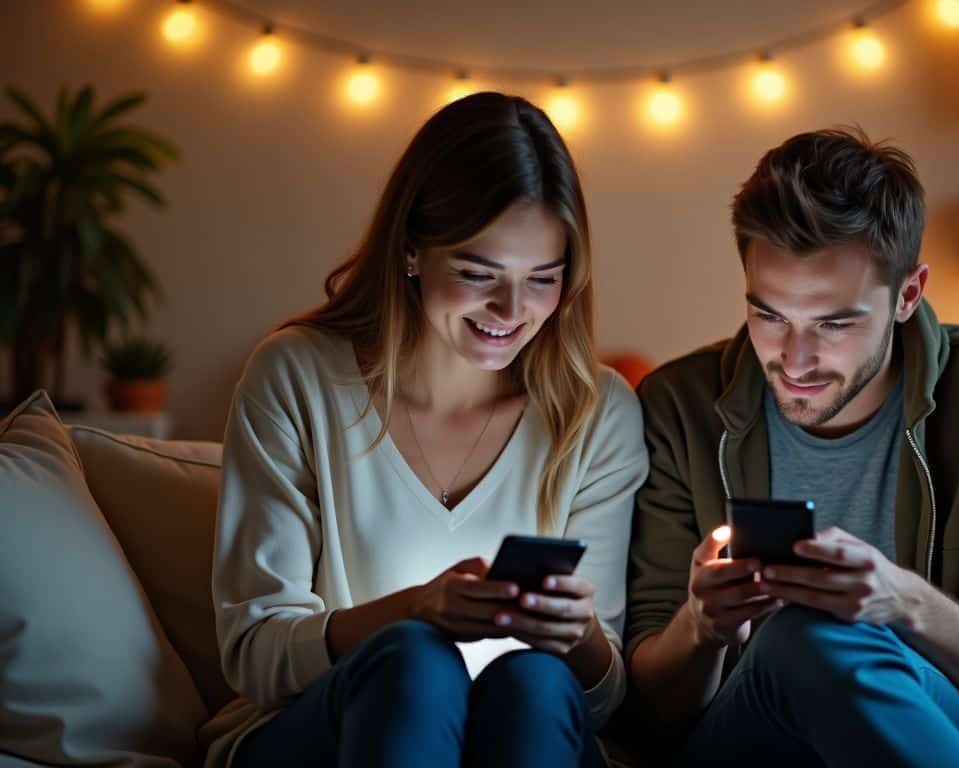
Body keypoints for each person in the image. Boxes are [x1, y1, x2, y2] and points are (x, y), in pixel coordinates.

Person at [205, 92, 648, 768]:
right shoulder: (296, 375)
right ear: (411, 251)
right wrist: (413, 611)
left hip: (523, 722)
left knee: (532, 679)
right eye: (478, 274)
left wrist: (580, 635)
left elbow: (600, 701)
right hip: (324, 729)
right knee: (417, 662)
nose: (511, 309)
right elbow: (256, 655)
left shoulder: (599, 413)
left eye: (542, 279)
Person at [624, 127, 959, 767]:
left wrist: (901, 600)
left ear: (908, 294)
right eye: (769, 316)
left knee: (810, 636)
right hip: (746, 736)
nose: (794, 360)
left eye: (834, 323)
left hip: (944, 722)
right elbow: (648, 712)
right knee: (795, 640)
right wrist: (701, 626)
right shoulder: (677, 408)